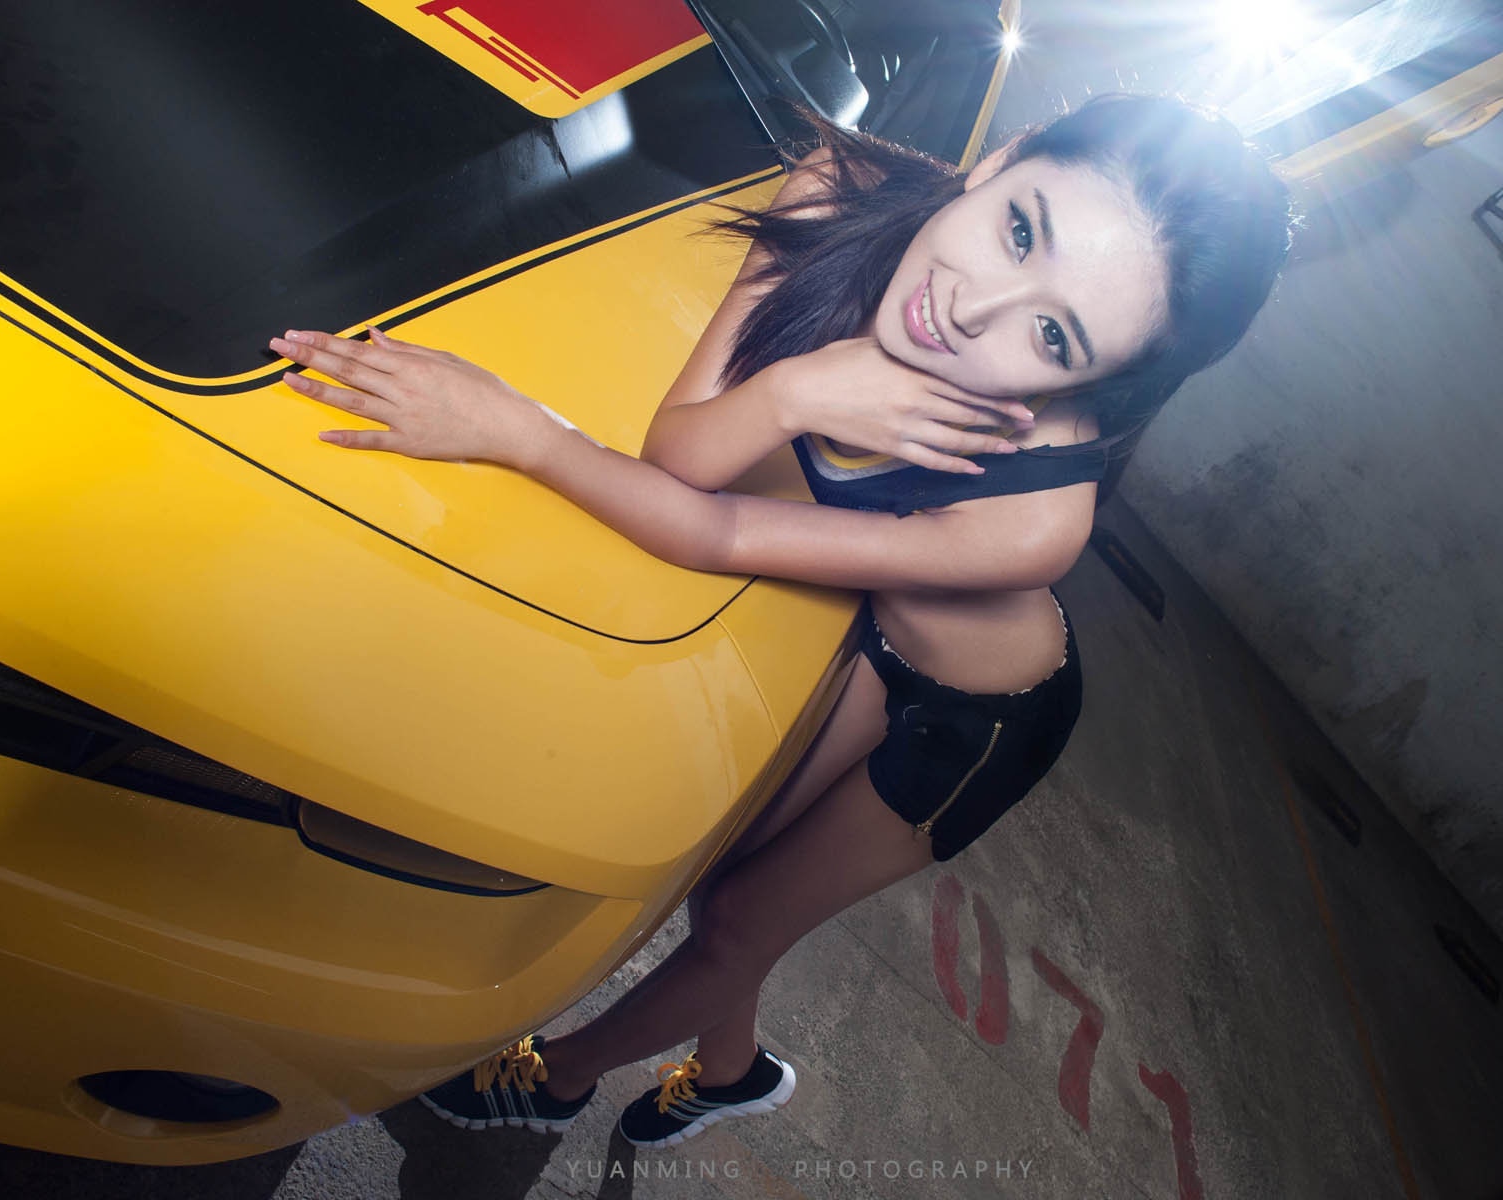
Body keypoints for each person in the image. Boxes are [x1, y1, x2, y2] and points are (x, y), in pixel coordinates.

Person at [268, 94, 1292, 1148]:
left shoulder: (1036, 521)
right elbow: (683, 457)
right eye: (1022, 230)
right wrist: (799, 392)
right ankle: (733, 1069)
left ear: (1103, 382)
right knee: (723, 874)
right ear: (1002, 157)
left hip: (976, 722)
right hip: (872, 635)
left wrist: (516, 430)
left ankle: (561, 1078)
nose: (973, 308)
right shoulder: (837, 191)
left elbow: (713, 530)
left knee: (735, 922)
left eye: (1053, 334)